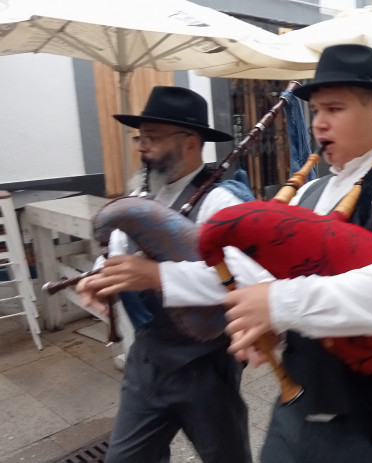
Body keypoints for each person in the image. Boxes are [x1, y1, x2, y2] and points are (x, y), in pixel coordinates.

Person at [220, 44, 372, 462]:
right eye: (315, 111)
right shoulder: (310, 191)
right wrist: (268, 323)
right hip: (300, 406)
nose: (319, 123)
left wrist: (279, 304)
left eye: (334, 109)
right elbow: (270, 279)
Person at [76, 86, 259, 462]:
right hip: (147, 362)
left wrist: (157, 277)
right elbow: (121, 252)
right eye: (140, 138)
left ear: (190, 142)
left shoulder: (221, 201)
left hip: (205, 365)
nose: (142, 147)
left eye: (153, 138)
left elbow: (250, 281)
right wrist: (99, 279)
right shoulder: (144, 195)